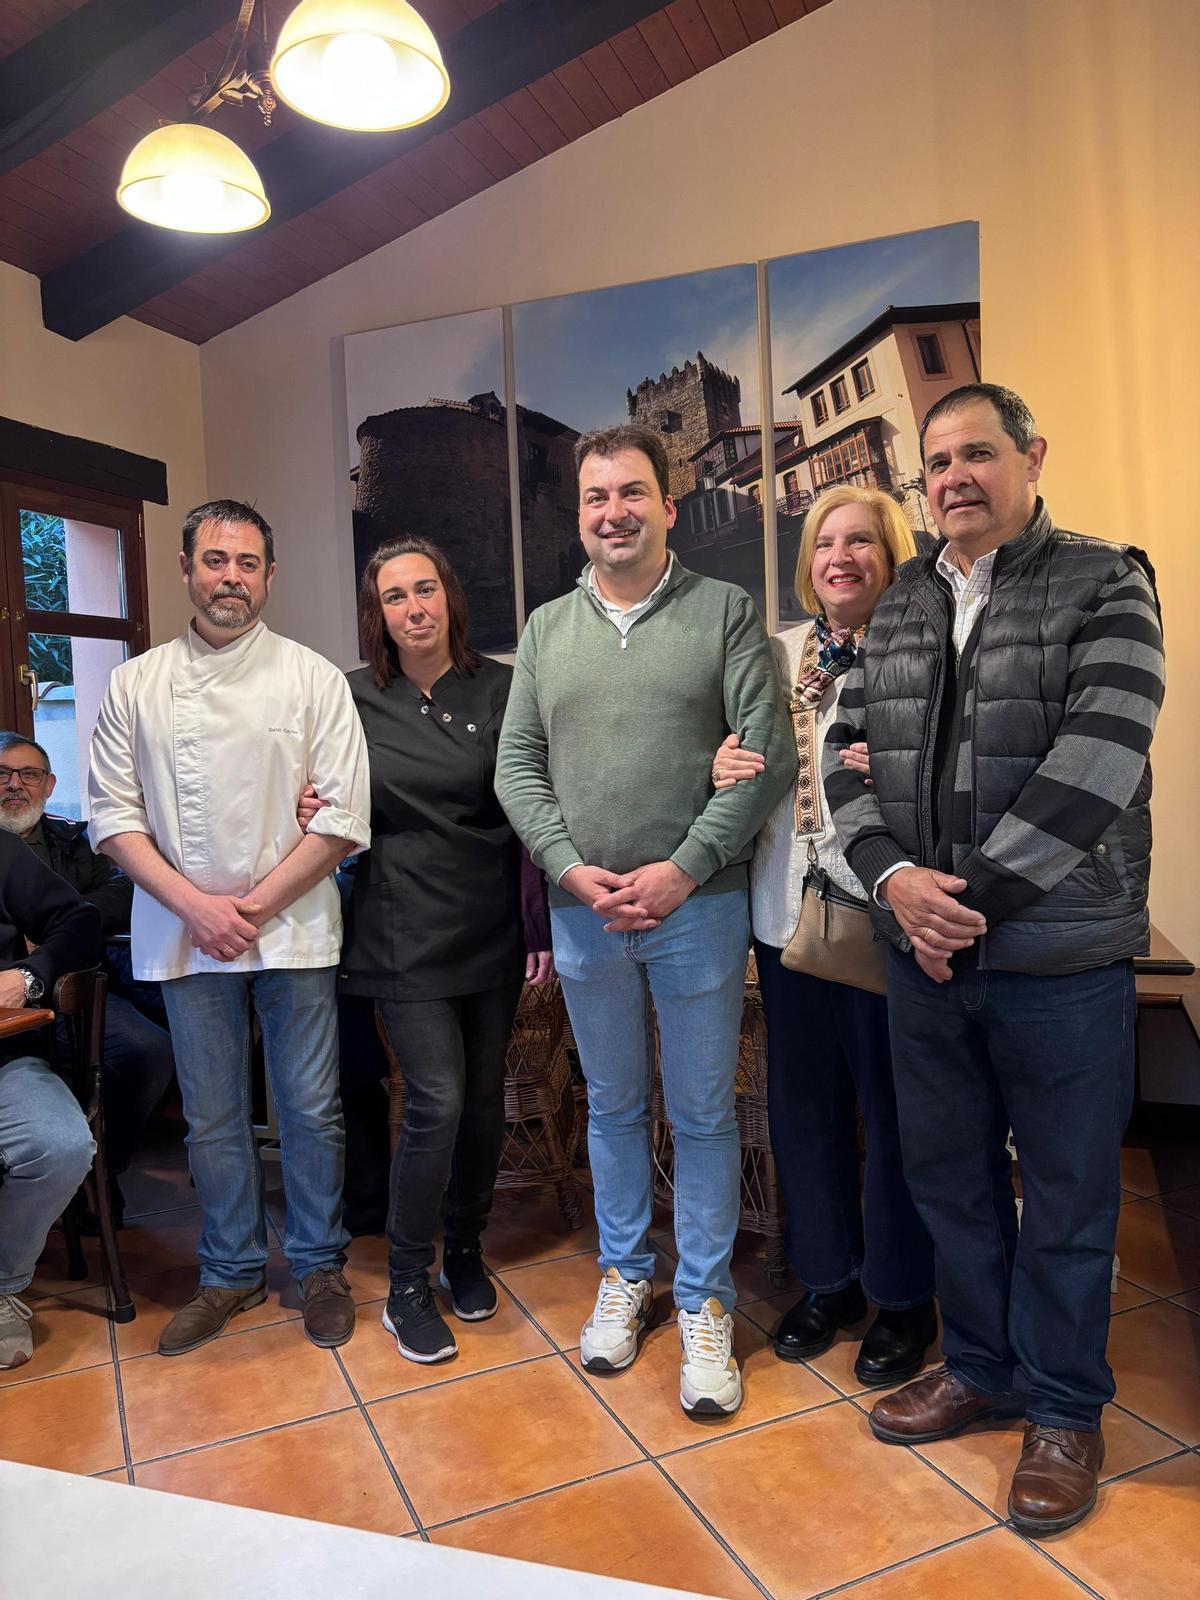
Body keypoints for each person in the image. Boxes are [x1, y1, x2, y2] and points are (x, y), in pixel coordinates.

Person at [823, 383, 1165, 1535]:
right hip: (924, 956)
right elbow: (843, 755)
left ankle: (1066, 1408)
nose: (955, 476)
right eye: (938, 461)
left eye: (978, 453)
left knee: (1067, 1196)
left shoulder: (1108, 582)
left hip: (1058, 960)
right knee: (952, 1181)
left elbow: (1101, 758)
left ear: (1032, 456)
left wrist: (962, 902)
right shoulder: (905, 597)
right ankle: (981, 1367)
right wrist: (892, 883)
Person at [496, 425, 794, 1419]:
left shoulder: (725, 613)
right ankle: (627, 1275)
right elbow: (517, 768)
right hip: (588, 917)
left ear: (670, 505)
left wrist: (683, 867)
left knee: (703, 1112)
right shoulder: (544, 631)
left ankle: (706, 1298)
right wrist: (573, 870)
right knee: (615, 1107)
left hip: (698, 910)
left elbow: (766, 756)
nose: (613, 511)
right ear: (579, 516)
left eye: (632, 492)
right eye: (595, 497)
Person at [88, 499, 371, 1357]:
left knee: (311, 1110)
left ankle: (319, 1266)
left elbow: (345, 817)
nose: (231, 580)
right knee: (211, 1117)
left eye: (247, 564)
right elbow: (110, 815)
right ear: (185, 569)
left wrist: (250, 909)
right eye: (215, 561)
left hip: (291, 930)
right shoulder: (135, 683)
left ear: (270, 576)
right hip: (183, 933)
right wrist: (198, 907)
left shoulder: (312, 677)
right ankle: (231, 1272)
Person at [302, 537, 551, 1365]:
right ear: (377, 614)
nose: (413, 608)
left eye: (425, 590)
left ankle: (468, 1249)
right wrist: (307, 802)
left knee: (484, 1102)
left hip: (490, 927)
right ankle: (408, 1280)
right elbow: (319, 798)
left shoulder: (505, 687)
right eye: (394, 597)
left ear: (449, 597)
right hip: (399, 929)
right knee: (437, 1099)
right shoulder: (349, 698)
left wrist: (539, 927)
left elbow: (529, 814)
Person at [714, 486, 936, 1384]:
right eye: (824, 546)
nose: (840, 559)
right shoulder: (778, 654)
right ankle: (829, 1281)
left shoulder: (924, 650)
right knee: (801, 1112)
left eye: (860, 544)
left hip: (884, 920)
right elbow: (738, 754)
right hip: (784, 916)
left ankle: (904, 1295)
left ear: (891, 554)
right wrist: (720, 761)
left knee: (894, 1118)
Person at [0, 731, 174, 1217]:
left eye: (28, 774)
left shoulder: (76, 839)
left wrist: (58, 929)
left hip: (78, 993)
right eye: (1, 774)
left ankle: (98, 1172)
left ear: (49, 785)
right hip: (7, 1008)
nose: (14, 785)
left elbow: (125, 888)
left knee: (148, 1051)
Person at [0, 829, 102, 1368]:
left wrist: (28, 976)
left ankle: (1, 1286)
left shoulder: (2, 850)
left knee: (60, 1146)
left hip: (4, 1058)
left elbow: (80, 922)